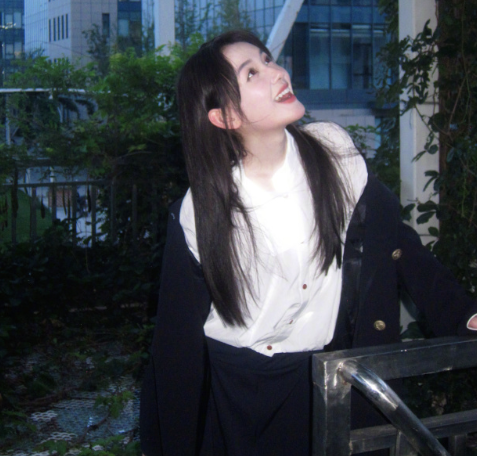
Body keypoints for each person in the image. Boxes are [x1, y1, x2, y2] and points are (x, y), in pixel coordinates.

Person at [140, 30, 477, 456]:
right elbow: (177, 345)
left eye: (267, 59)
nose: (278, 72)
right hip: (239, 391)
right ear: (225, 116)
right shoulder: (201, 210)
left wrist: (463, 314)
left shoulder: (333, 153)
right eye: (252, 73)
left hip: (330, 369)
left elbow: (396, 243)